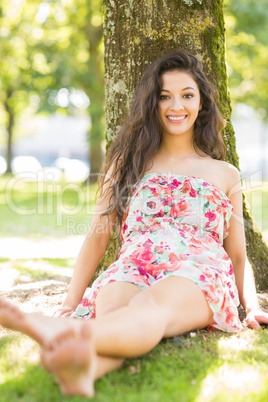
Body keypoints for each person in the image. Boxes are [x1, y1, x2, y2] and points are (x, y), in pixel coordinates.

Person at [0, 49, 268, 397]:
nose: (176, 106)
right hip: (133, 265)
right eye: (164, 96)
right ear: (152, 104)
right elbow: (97, 238)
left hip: (196, 271)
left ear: (202, 104)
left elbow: (237, 256)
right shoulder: (128, 162)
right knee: (114, 312)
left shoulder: (225, 173)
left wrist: (254, 306)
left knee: (147, 308)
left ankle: (55, 332)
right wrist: (71, 302)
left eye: (187, 95)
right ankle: (86, 368)